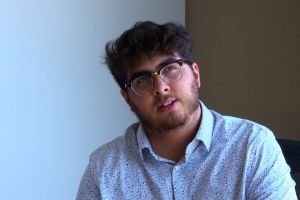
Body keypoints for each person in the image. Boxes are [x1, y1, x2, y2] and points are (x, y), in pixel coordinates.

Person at [76, 21, 297, 200]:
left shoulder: (253, 146)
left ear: (196, 75)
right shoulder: (103, 169)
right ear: (127, 98)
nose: (160, 88)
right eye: (142, 80)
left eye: (170, 69)